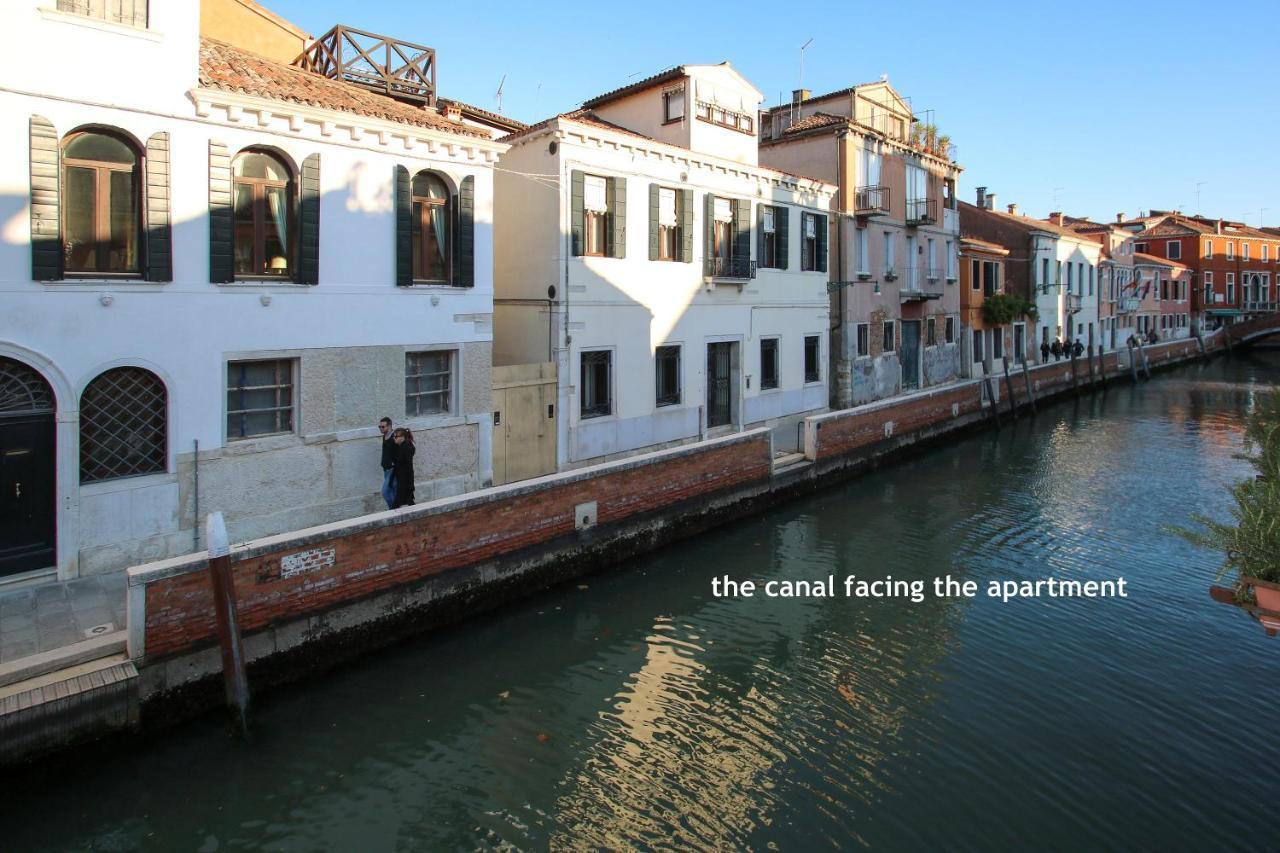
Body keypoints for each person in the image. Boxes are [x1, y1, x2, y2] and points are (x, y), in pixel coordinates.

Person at [391, 427, 416, 508]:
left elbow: (409, 466)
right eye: (393, 437)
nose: (394, 438)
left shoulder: (405, 448)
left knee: (398, 503)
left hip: (404, 480)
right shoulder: (402, 446)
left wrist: (411, 484)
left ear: (402, 437)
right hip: (402, 479)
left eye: (395, 437)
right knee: (408, 501)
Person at [378, 417, 396, 510]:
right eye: (379, 427)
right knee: (392, 491)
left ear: (389, 426)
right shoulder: (384, 436)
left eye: (383, 427)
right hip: (386, 469)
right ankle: (395, 511)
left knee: (385, 492)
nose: (381, 428)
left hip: (393, 470)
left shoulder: (395, 437)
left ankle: (394, 510)